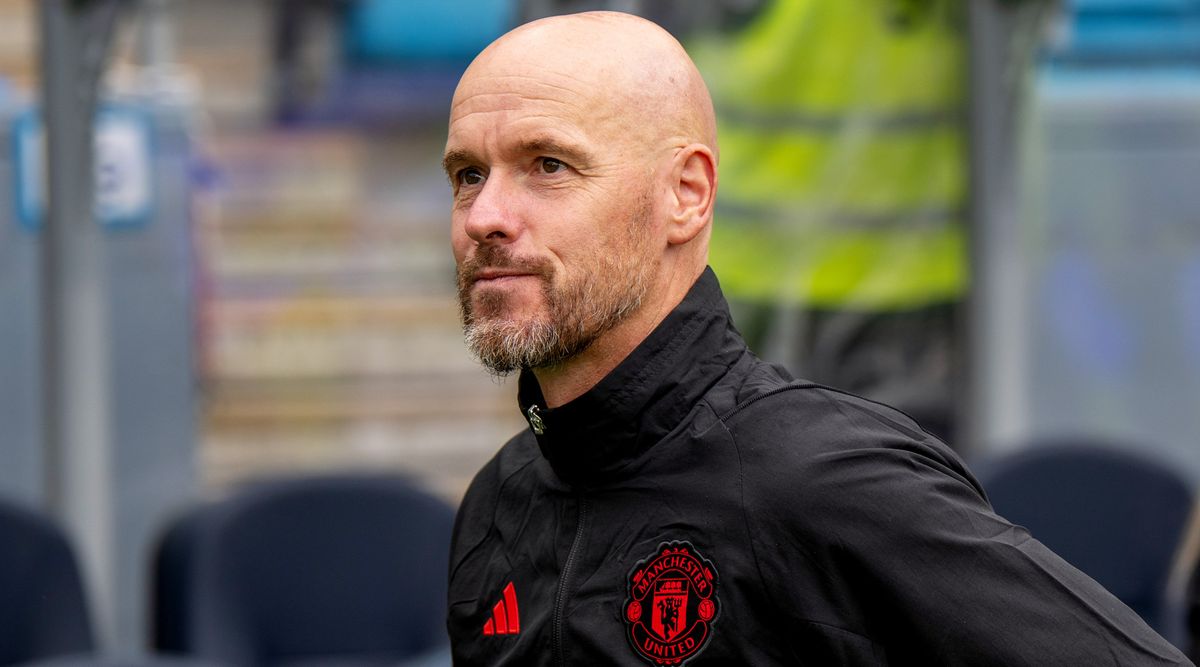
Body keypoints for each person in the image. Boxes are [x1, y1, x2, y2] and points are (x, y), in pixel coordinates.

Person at [442, 10, 1189, 666]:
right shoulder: (494, 511)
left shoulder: (826, 482)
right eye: (468, 175)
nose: (486, 216)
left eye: (548, 165)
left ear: (687, 194)